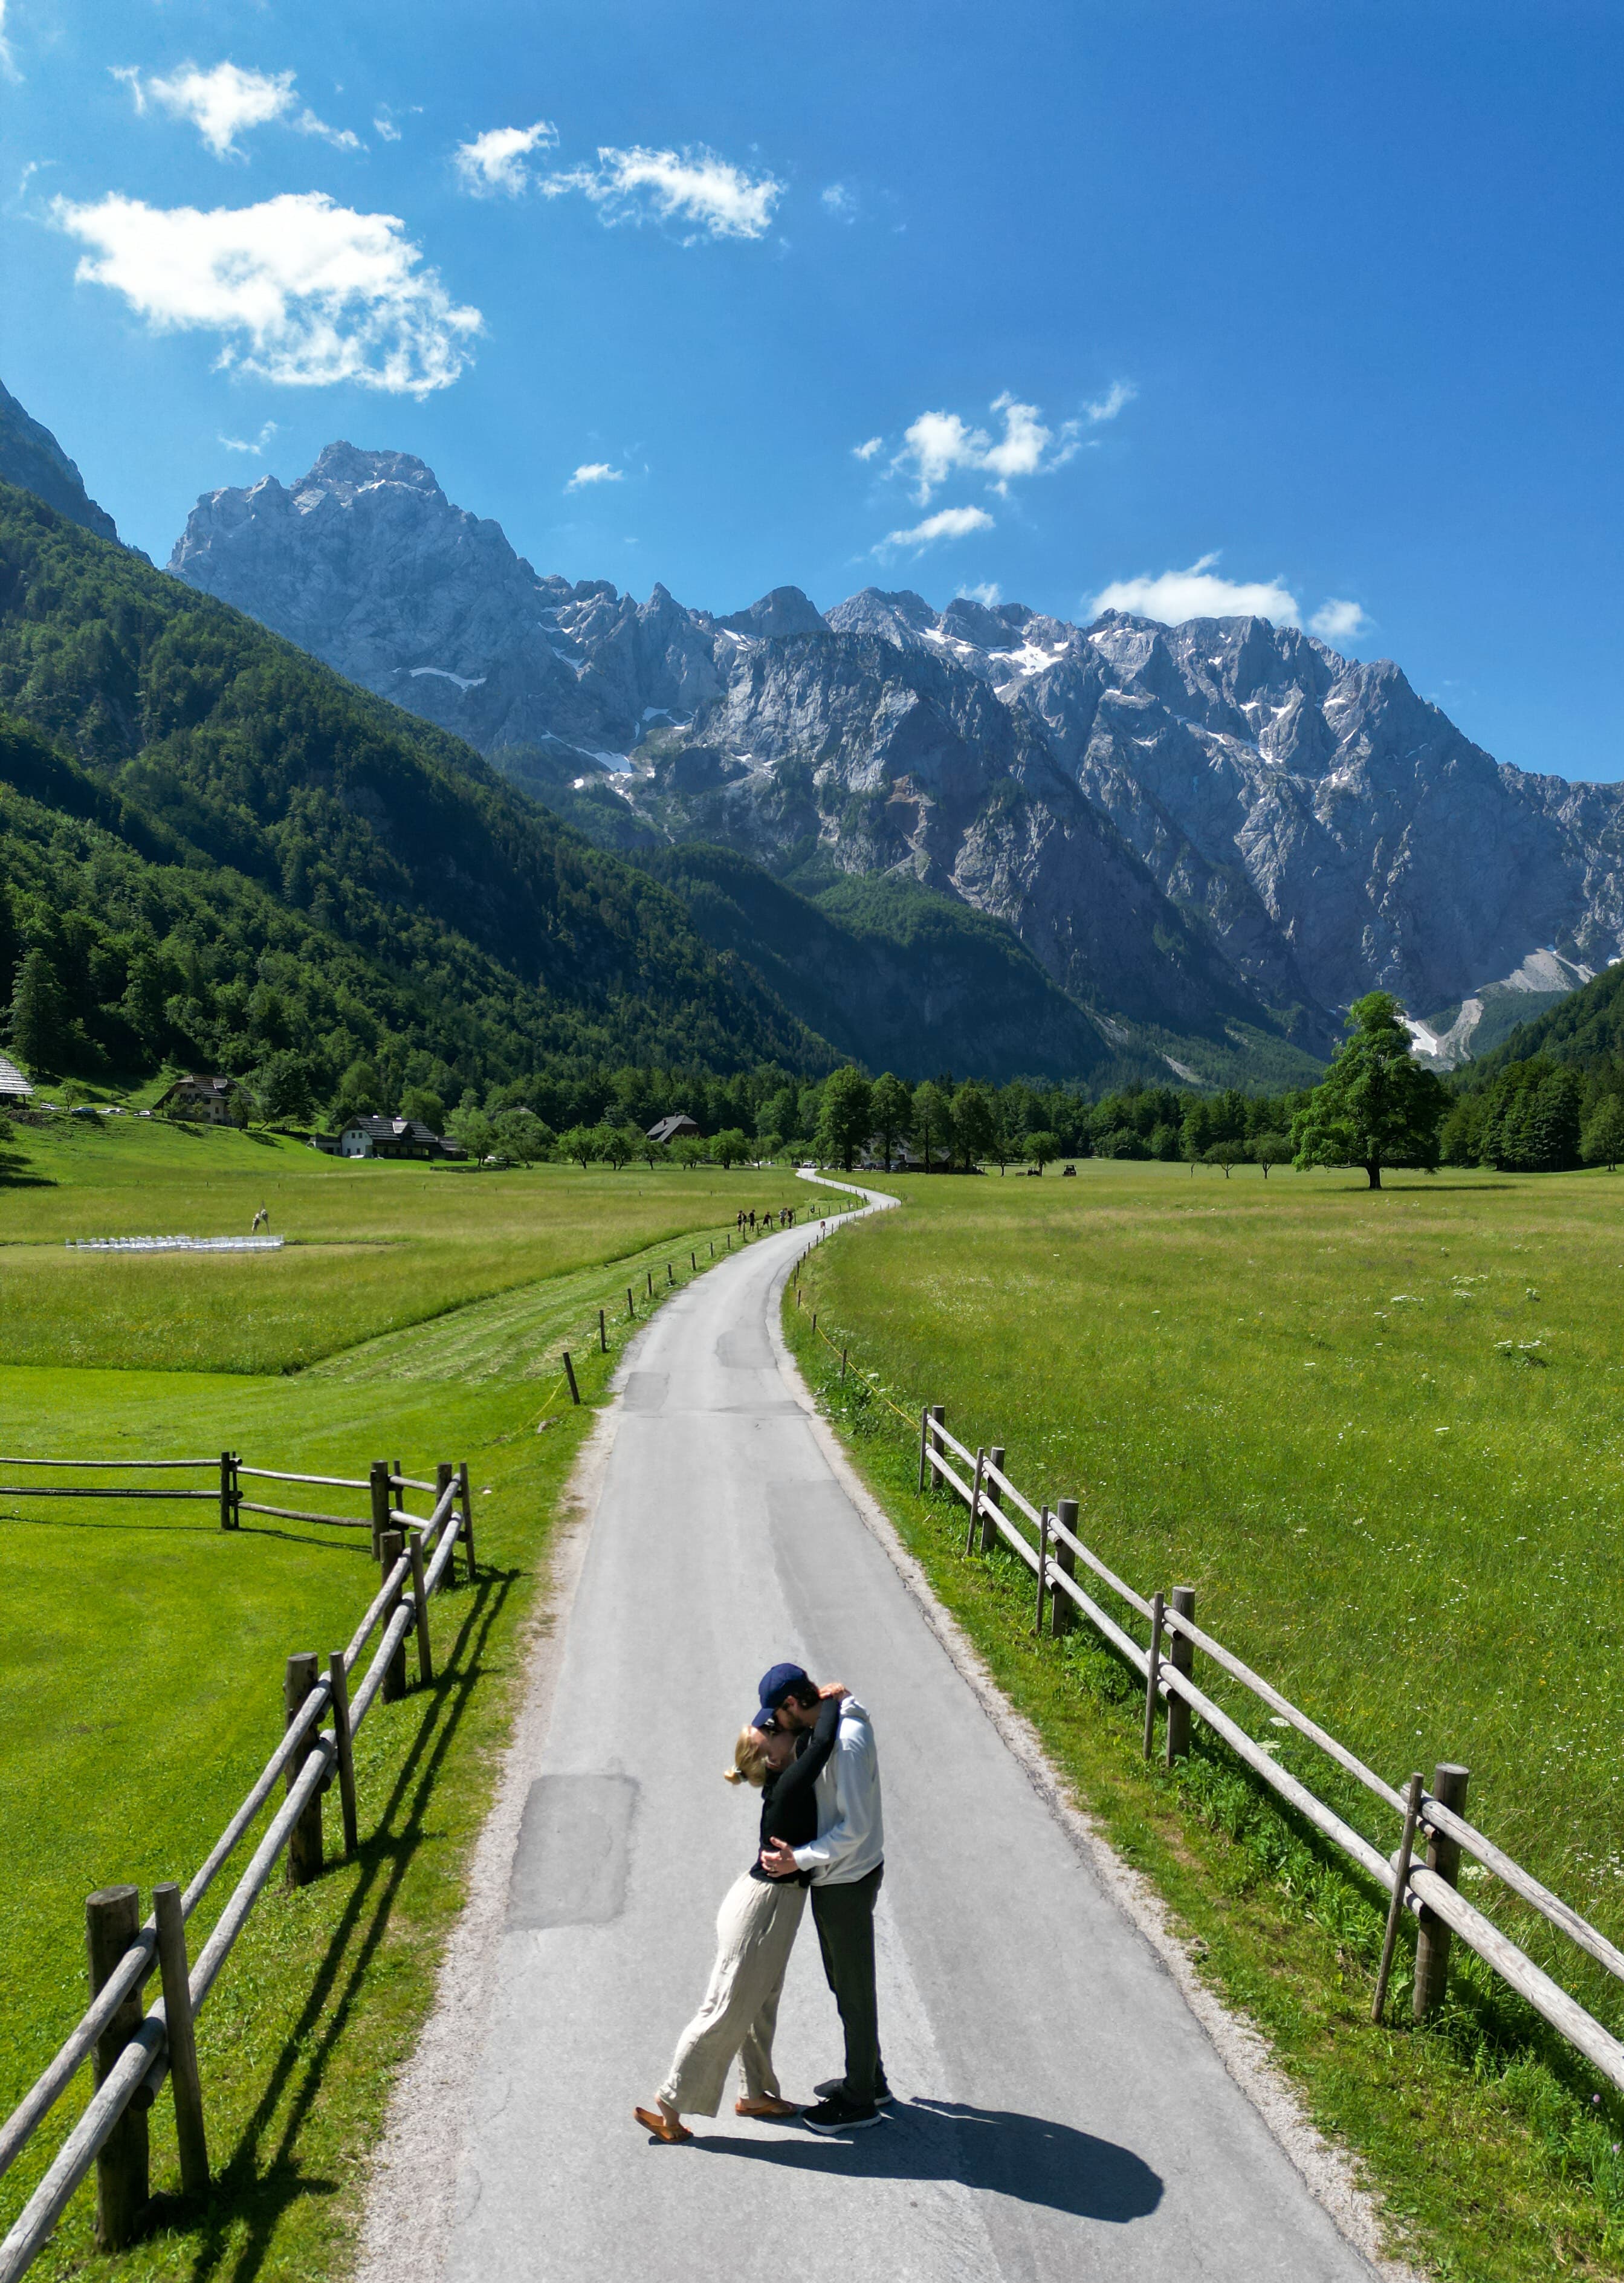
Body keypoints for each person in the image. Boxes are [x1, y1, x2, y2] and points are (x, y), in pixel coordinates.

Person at [633, 1684, 847, 2145]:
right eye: (772, 1728)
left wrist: (804, 1702)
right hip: (765, 1907)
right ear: (769, 1753)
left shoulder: (782, 1770)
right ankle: (669, 2105)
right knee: (726, 2008)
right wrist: (830, 1699)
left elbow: (808, 1736)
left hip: (768, 1901)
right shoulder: (789, 1782)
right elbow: (825, 1740)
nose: (783, 1726)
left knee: (760, 2000)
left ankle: (756, 2094)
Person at [757, 1663, 888, 2133]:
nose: (776, 1723)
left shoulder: (848, 1743)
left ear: (794, 1703)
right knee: (843, 1984)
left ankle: (859, 2101)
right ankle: (868, 2078)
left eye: (777, 1714)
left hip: (846, 1880)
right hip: (839, 1877)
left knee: (854, 1991)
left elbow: (853, 1828)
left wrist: (801, 1858)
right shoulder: (831, 1719)